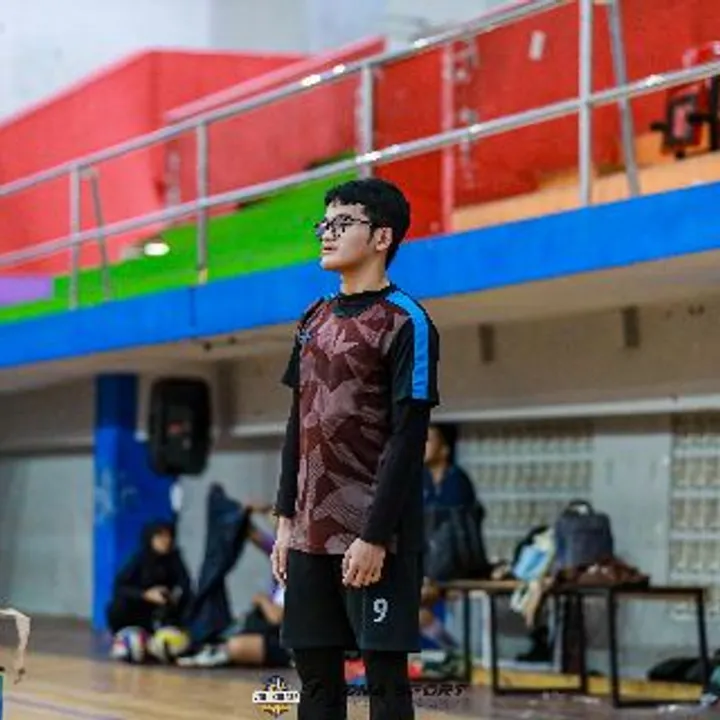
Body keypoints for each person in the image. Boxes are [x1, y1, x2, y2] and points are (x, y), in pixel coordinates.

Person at [271, 177, 440, 720]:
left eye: (342, 223)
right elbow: (298, 424)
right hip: (309, 536)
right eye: (324, 224)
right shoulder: (312, 320)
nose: (327, 233)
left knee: (385, 684)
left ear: (382, 237)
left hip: (375, 538)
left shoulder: (407, 321)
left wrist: (373, 537)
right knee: (317, 683)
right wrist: (285, 522)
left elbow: (408, 439)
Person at [106, 521, 191, 635]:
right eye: (160, 537)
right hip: (140, 604)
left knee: (191, 601)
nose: (166, 541)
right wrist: (146, 594)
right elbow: (119, 587)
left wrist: (174, 595)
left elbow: (185, 583)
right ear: (151, 539)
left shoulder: (174, 558)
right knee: (117, 606)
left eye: (168, 536)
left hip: (164, 606)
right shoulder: (139, 559)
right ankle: (124, 634)